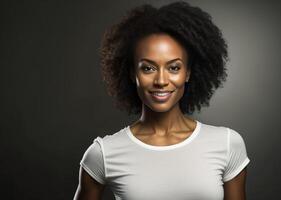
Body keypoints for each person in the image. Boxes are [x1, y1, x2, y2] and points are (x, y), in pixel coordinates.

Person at [74, 1, 250, 200]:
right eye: (148, 68)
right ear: (133, 74)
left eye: (174, 68)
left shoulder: (227, 144)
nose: (161, 81)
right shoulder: (104, 153)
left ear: (188, 73)